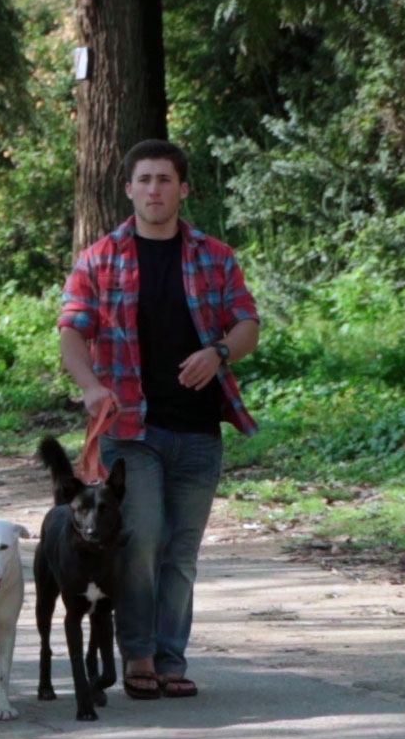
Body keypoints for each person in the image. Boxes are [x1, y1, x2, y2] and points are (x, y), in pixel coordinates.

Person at [57, 139, 260, 700]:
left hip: (198, 430)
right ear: (129, 188)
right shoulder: (100, 257)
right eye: (144, 179)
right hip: (130, 430)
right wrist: (91, 386)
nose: (154, 189)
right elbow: (72, 329)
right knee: (142, 541)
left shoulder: (216, 256)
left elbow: (248, 324)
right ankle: (139, 655)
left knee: (181, 552)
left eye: (165, 180)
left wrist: (218, 351)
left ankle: (172, 660)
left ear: (183, 189)